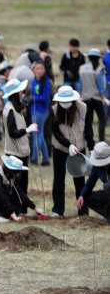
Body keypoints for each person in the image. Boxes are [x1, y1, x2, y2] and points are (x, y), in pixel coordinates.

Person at [51, 85, 95, 217]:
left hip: (79, 148)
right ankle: (57, 210)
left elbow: (88, 129)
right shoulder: (54, 110)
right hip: (60, 148)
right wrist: (68, 145)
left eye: (67, 101)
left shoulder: (83, 108)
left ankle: (83, 211)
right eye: (62, 101)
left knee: (79, 180)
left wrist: (91, 147)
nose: (64, 104)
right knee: (59, 180)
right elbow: (55, 132)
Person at [0, 155, 46, 222]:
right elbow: (0, 194)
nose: (18, 175)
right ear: (10, 170)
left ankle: (1, 214)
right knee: (1, 191)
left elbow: (20, 193)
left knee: (10, 195)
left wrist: (35, 208)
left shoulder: (9, 177)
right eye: (16, 172)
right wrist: (12, 213)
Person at [2, 78, 38, 212]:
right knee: (17, 184)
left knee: (22, 183)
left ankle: (22, 209)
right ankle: (18, 209)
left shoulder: (13, 107)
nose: (23, 92)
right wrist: (27, 130)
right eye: (21, 90)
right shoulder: (10, 109)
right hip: (15, 152)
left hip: (20, 150)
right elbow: (12, 132)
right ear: (16, 93)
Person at [79, 48, 109, 142]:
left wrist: (81, 96)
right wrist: (104, 98)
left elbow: (80, 84)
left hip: (86, 98)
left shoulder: (82, 68)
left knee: (89, 121)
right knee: (102, 120)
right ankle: (101, 140)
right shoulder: (99, 69)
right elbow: (100, 86)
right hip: (96, 98)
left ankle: (89, 140)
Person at [77, 141, 110, 224]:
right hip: (108, 193)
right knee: (86, 198)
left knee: (107, 186)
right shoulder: (97, 167)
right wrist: (82, 195)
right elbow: (90, 183)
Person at [30, 60, 53, 166]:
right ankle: (46, 159)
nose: (39, 71)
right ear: (33, 70)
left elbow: (46, 98)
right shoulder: (34, 81)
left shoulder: (47, 82)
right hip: (34, 110)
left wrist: (33, 98)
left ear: (44, 70)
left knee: (36, 135)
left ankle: (34, 158)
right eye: (37, 68)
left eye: (41, 69)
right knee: (40, 135)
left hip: (41, 111)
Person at [103, 39, 110, 123]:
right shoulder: (107, 57)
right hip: (108, 81)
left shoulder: (106, 57)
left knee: (107, 101)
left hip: (108, 81)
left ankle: (105, 120)